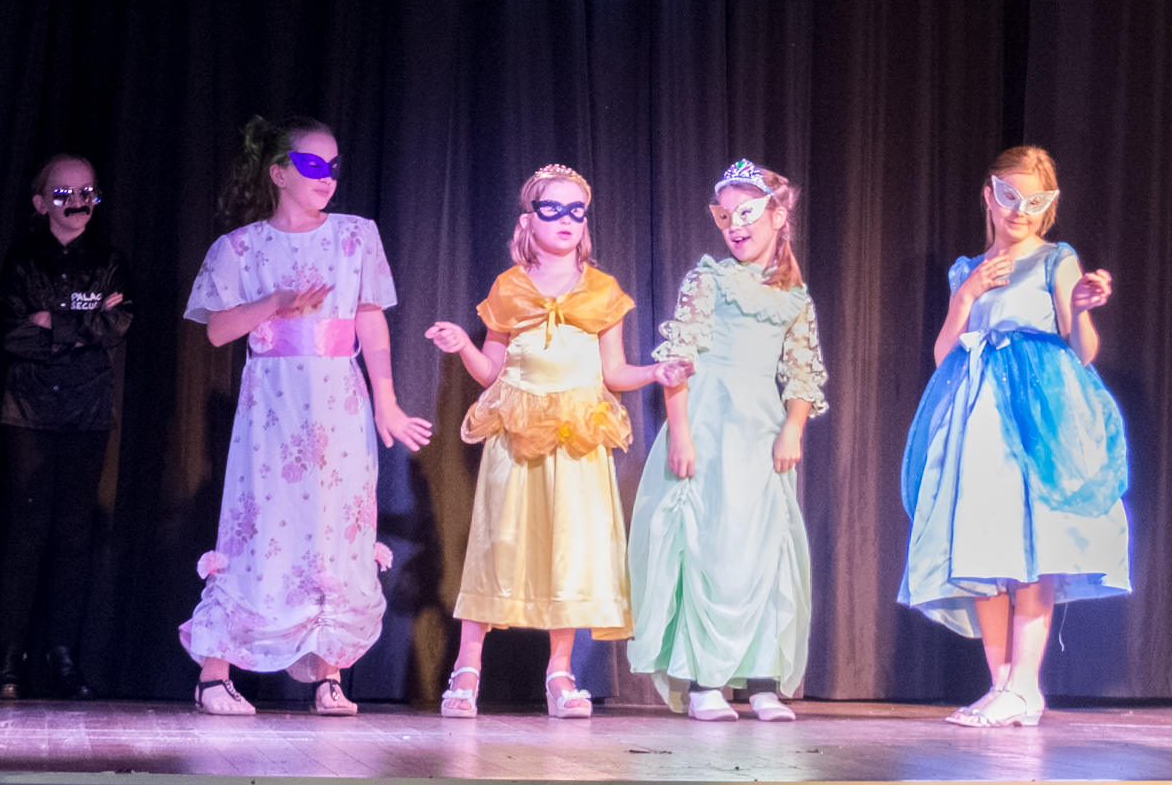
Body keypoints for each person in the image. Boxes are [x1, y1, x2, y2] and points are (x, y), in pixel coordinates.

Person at [180, 115, 432, 716]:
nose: (327, 177)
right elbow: (217, 330)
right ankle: (214, 676)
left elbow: (370, 316)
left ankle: (329, 674)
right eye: (313, 165)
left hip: (339, 399)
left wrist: (387, 399)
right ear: (278, 173)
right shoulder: (241, 247)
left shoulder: (356, 236)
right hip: (273, 403)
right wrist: (275, 302)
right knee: (259, 526)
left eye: (334, 166)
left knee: (336, 529)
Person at [426, 165, 690, 719]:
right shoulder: (510, 287)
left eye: (576, 211)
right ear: (529, 219)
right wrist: (462, 346)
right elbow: (491, 372)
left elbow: (613, 372)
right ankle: (468, 667)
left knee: (570, 549)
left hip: (576, 437)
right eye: (553, 209)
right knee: (500, 543)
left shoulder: (601, 290)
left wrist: (655, 372)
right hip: (519, 433)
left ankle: (560, 672)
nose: (566, 220)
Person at [897, 146, 1129, 727]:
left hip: (1037, 412)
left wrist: (1080, 308)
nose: (1019, 211)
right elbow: (943, 355)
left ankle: (1025, 684)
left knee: (1032, 541)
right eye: (1008, 197)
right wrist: (966, 295)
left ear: (1048, 206)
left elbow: (1084, 350)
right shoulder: (967, 269)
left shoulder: (1056, 259)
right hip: (978, 414)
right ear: (988, 196)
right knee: (982, 543)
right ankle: (1001, 684)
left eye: (1033, 201)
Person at [628, 160, 828, 722]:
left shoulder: (795, 298)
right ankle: (705, 683)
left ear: (777, 216)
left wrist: (793, 428)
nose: (735, 226)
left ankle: (762, 682)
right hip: (709, 425)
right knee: (707, 547)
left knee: (764, 550)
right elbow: (680, 359)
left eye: (747, 213)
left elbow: (803, 371)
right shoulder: (708, 281)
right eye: (725, 216)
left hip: (761, 432)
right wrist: (681, 432)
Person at [0, 154, 132, 699]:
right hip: (28, 411)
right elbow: (11, 334)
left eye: (87, 192)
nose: (77, 203)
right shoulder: (23, 260)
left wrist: (51, 321)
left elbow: (117, 324)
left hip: (87, 413)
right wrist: (82, 326)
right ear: (40, 203)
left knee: (75, 537)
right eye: (64, 194)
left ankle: (64, 657)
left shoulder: (110, 261)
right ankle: (8, 661)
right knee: (24, 536)